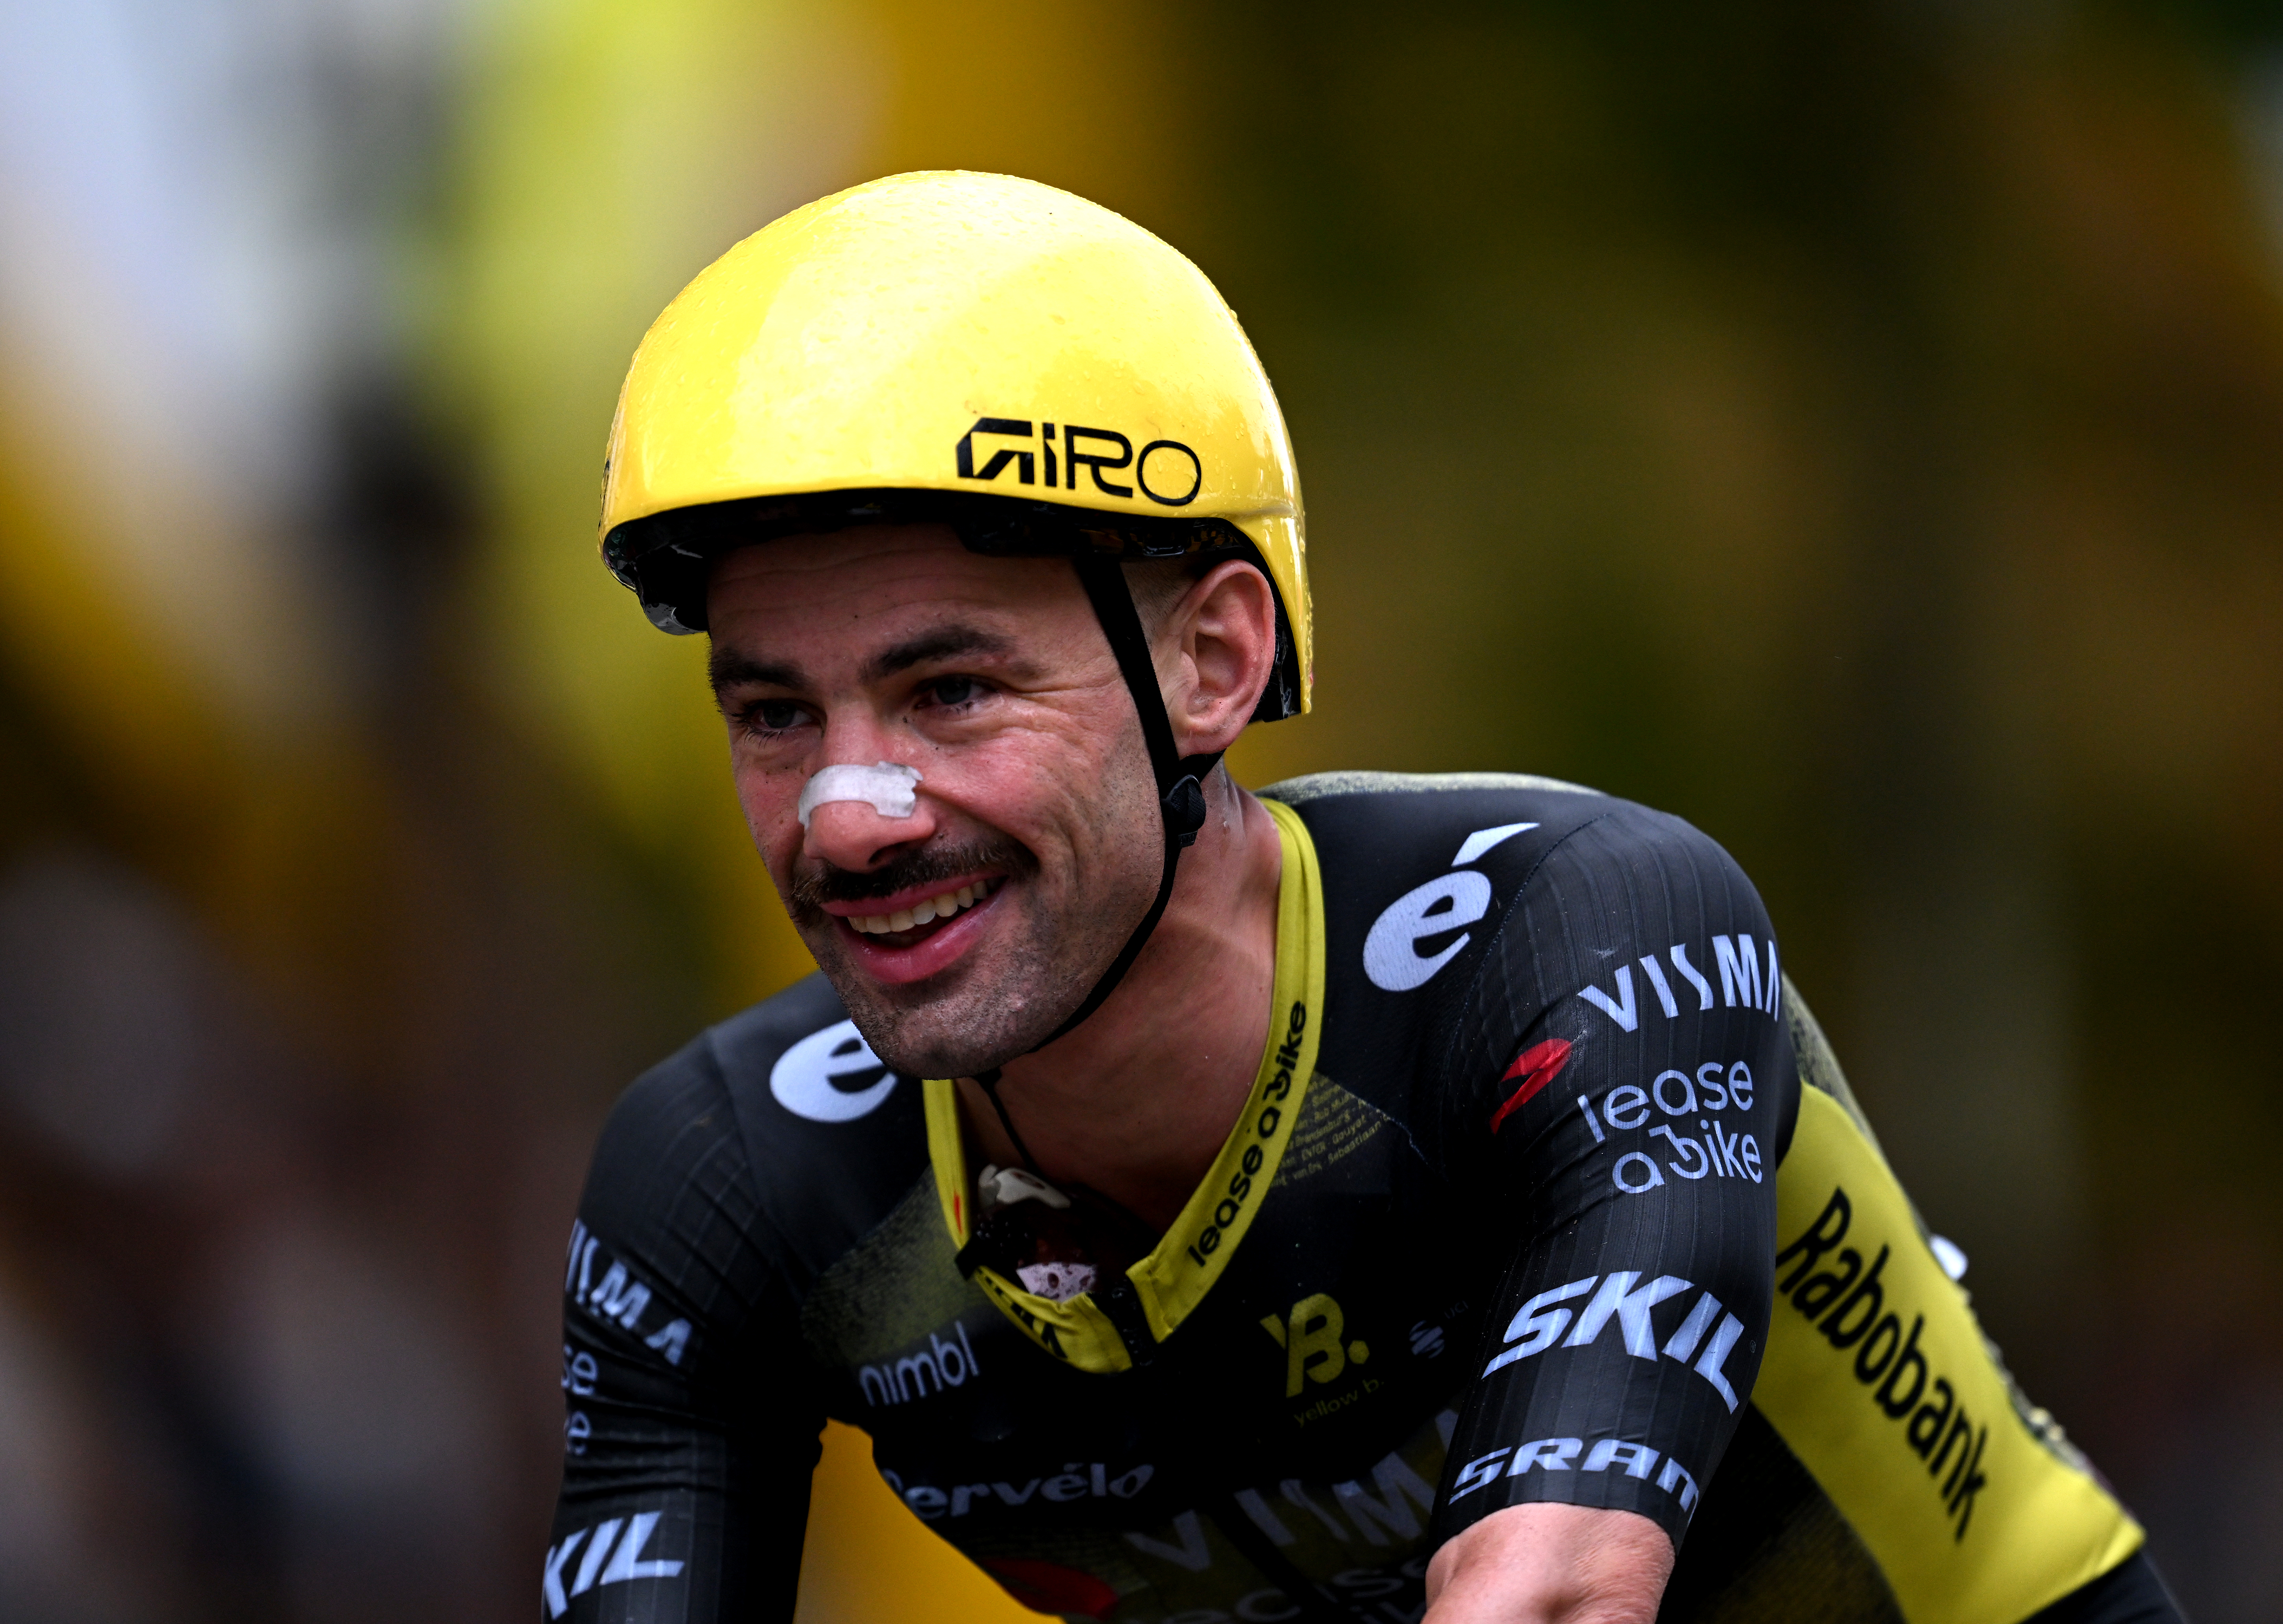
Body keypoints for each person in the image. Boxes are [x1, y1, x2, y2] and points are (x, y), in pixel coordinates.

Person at [547, 171, 2179, 1624]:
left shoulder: (1585, 937)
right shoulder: (722, 1187)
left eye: (954, 692)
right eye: (776, 716)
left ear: (1213, 661)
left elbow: (1551, 1591)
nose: (850, 819)